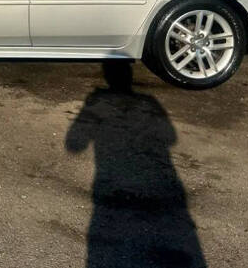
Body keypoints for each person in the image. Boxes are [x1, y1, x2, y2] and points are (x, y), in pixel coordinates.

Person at [65, 62, 206, 268]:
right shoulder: (148, 102)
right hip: (157, 179)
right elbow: (170, 137)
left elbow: (74, 144)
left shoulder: (97, 100)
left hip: (109, 185)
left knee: (110, 243)